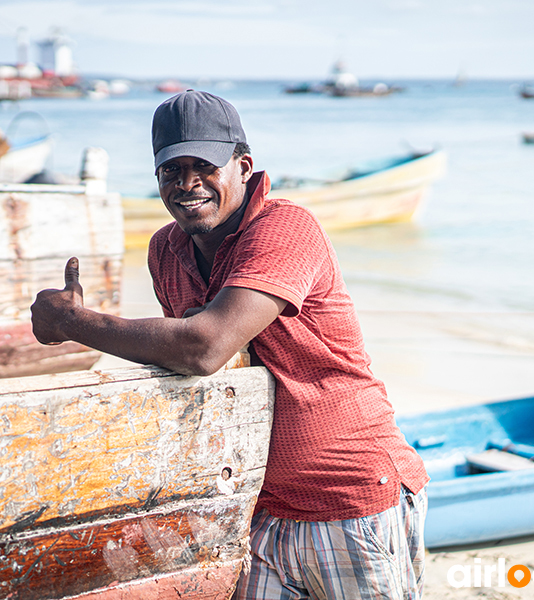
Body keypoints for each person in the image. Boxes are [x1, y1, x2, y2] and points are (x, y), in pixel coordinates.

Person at [31, 90, 429, 599]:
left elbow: (203, 348)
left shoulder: (286, 228)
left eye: (204, 166)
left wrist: (74, 323)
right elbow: (192, 367)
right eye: (172, 171)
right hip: (254, 507)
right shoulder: (166, 251)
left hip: (348, 497)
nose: (188, 183)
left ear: (243, 167)